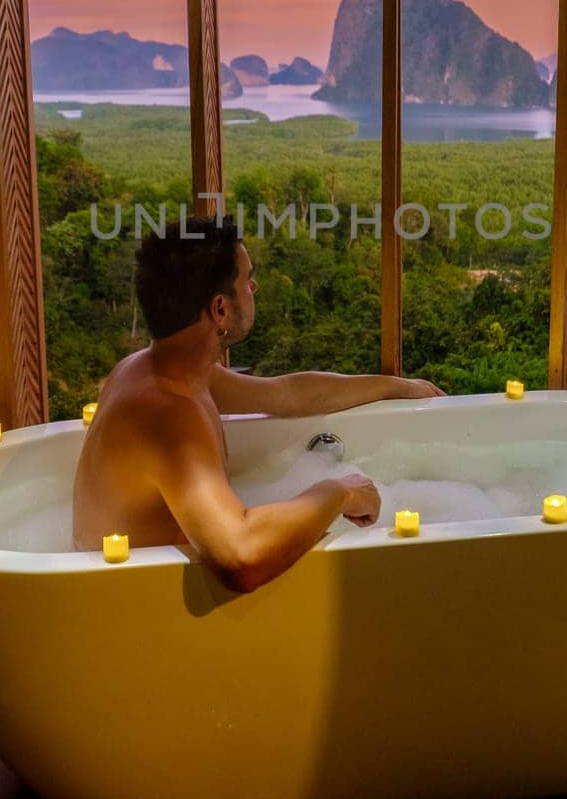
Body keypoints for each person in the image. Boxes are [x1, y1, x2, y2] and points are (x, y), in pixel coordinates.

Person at [73, 218, 443, 590]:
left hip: (132, 590)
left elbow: (287, 395)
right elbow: (242, 558)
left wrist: (397, 386)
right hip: (134, 604)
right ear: (220, 309)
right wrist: (338, 492)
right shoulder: (169, 412)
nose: (255, 286)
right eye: (247, 279)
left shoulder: (162, 370)